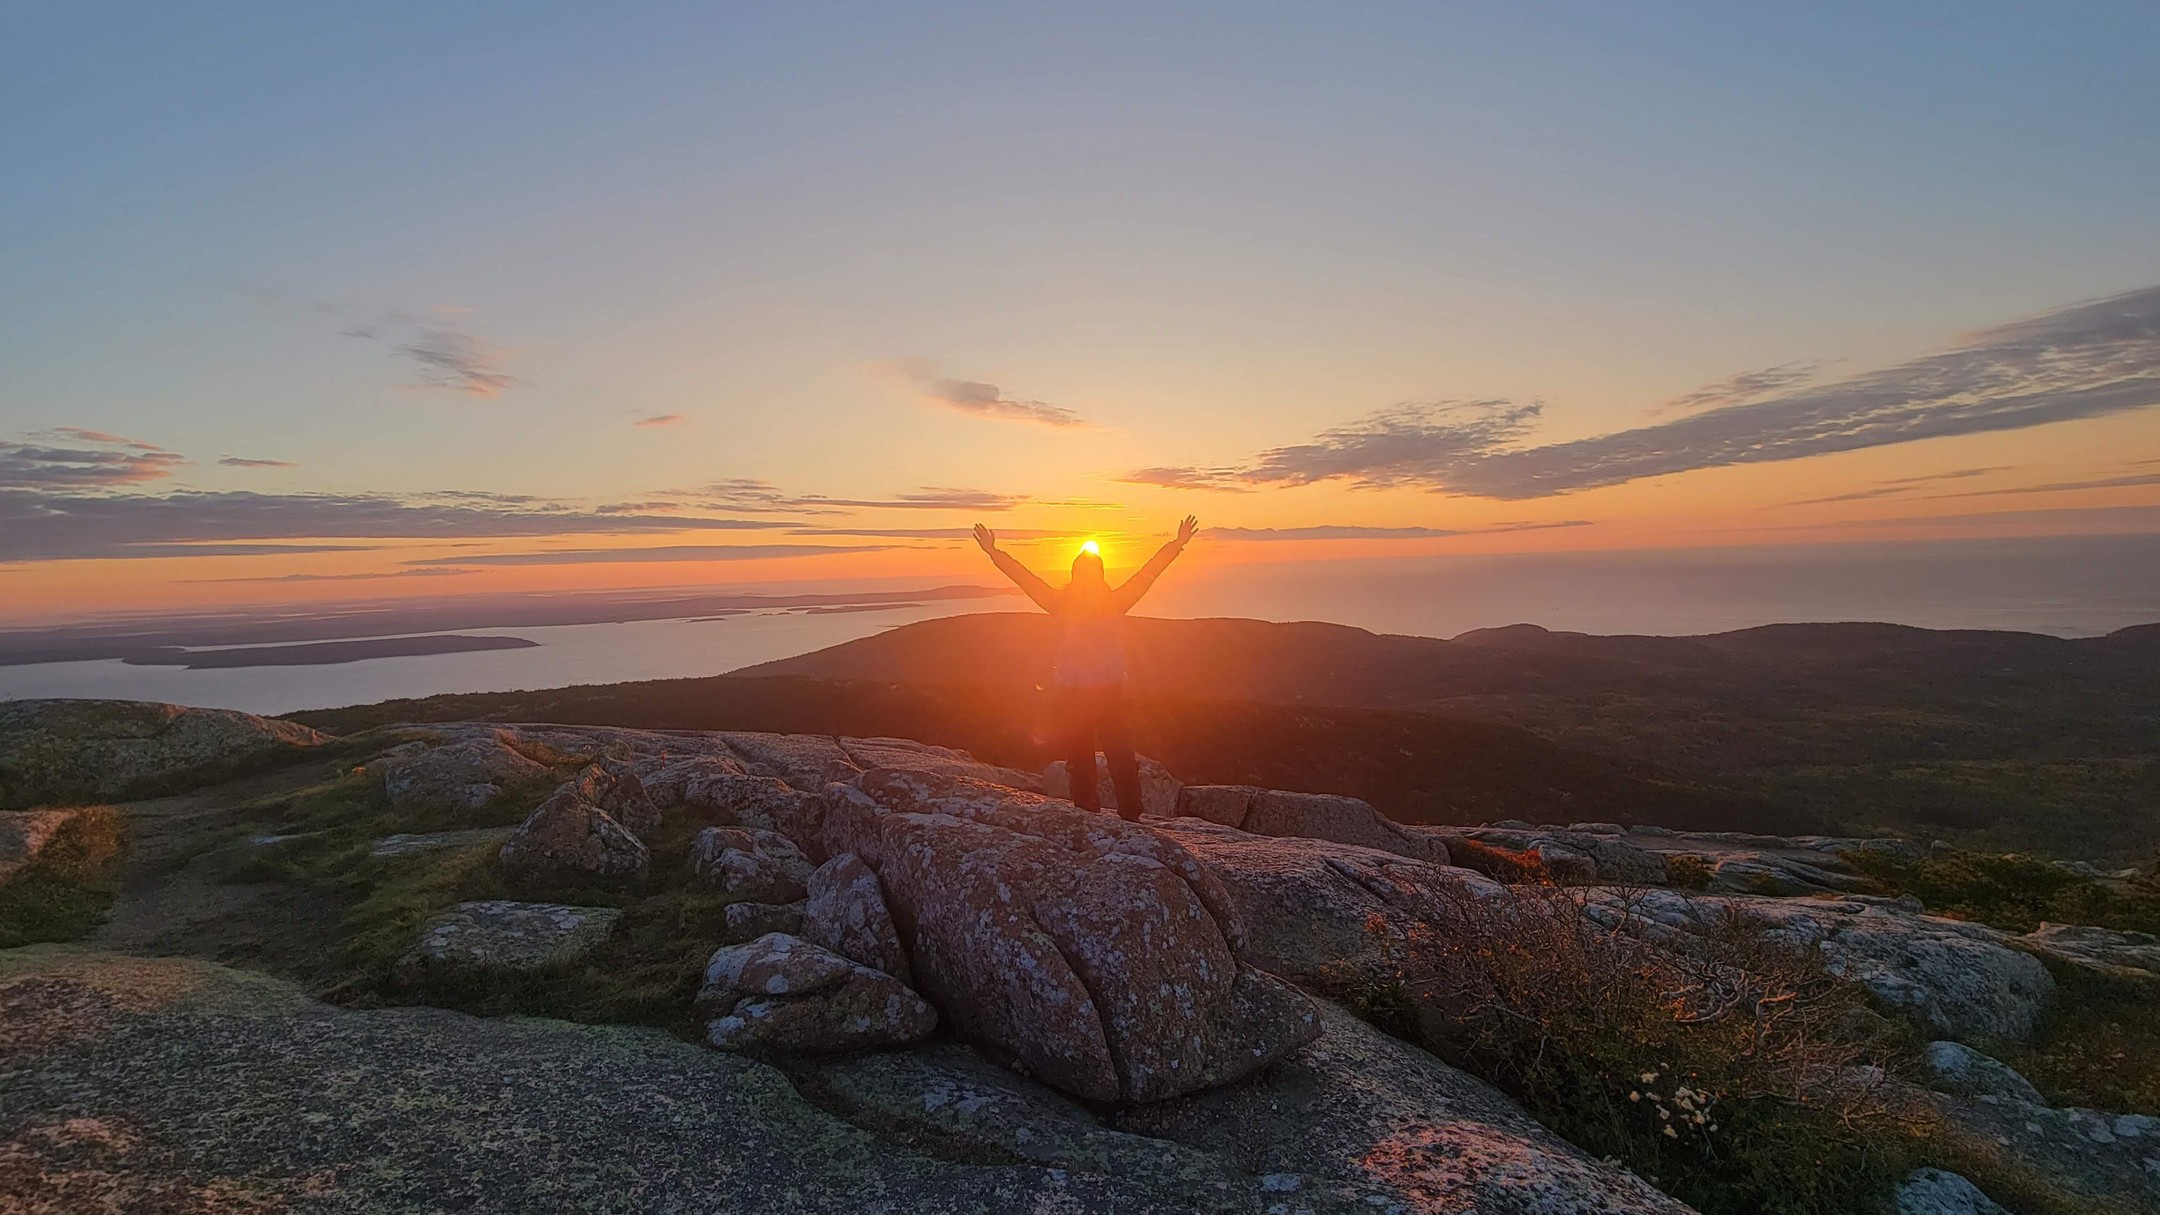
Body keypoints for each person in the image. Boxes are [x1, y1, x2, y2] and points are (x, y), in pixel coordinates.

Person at [972, 516, 1198, 821]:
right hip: (1102, 690)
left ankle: (1095, 813)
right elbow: (1149, 573)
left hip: (1078, 691)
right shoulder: (1114, 602)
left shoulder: (1062, 603)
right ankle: (1123, 813)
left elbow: (1026, 578)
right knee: (1111, 754)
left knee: (1090, 755)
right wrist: (1176, 544)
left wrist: (994, 552)